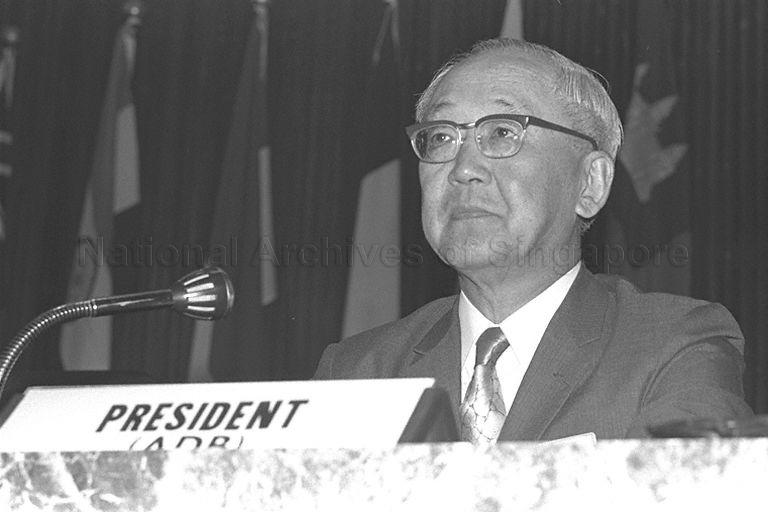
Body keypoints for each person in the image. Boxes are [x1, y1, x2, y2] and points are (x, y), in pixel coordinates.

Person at [313, 38, 753, 441]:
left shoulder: (671, 347)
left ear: (590, 184)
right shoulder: (355, 373)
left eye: (502, 132)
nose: (464, 167)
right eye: (442, 136)